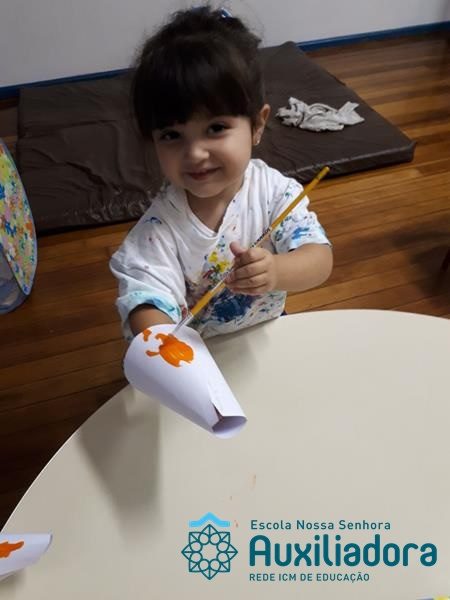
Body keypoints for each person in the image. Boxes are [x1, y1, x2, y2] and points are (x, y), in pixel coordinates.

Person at [110, 5, 333, 341]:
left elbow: (320, 259)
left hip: (265, 332)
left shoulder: (274, 193)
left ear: (257, 125)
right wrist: (159, 336)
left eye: (215, 128)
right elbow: (145, 301)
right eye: (171, 135)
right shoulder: (158, 231)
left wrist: (276, 271)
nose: (195, 153)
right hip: (196, 355)